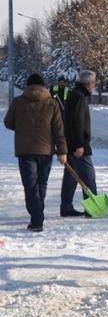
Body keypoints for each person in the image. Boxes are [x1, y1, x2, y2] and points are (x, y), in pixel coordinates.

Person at [4, 74, 68, 232]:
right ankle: (37, 213)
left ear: (27, 86)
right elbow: (59, 130)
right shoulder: (52, 103)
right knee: (41, 183)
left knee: (30, 184)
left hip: (24, 150)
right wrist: (62, 151)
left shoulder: (18, 102)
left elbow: (8, 123)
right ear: (44, 86)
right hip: (46, 150)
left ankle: (37, 217)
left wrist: (22, 127)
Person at [62, 70, 99, 217]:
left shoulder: (75, 94)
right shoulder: (79, 96)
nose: (94, 86)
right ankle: (92, 208)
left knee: (71, 176)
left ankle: (66, 207)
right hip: (78, 144)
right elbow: (77, 122)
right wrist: (79, 145)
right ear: (88, 83)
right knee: (88, 176)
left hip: (70, 142)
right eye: (93, 83)